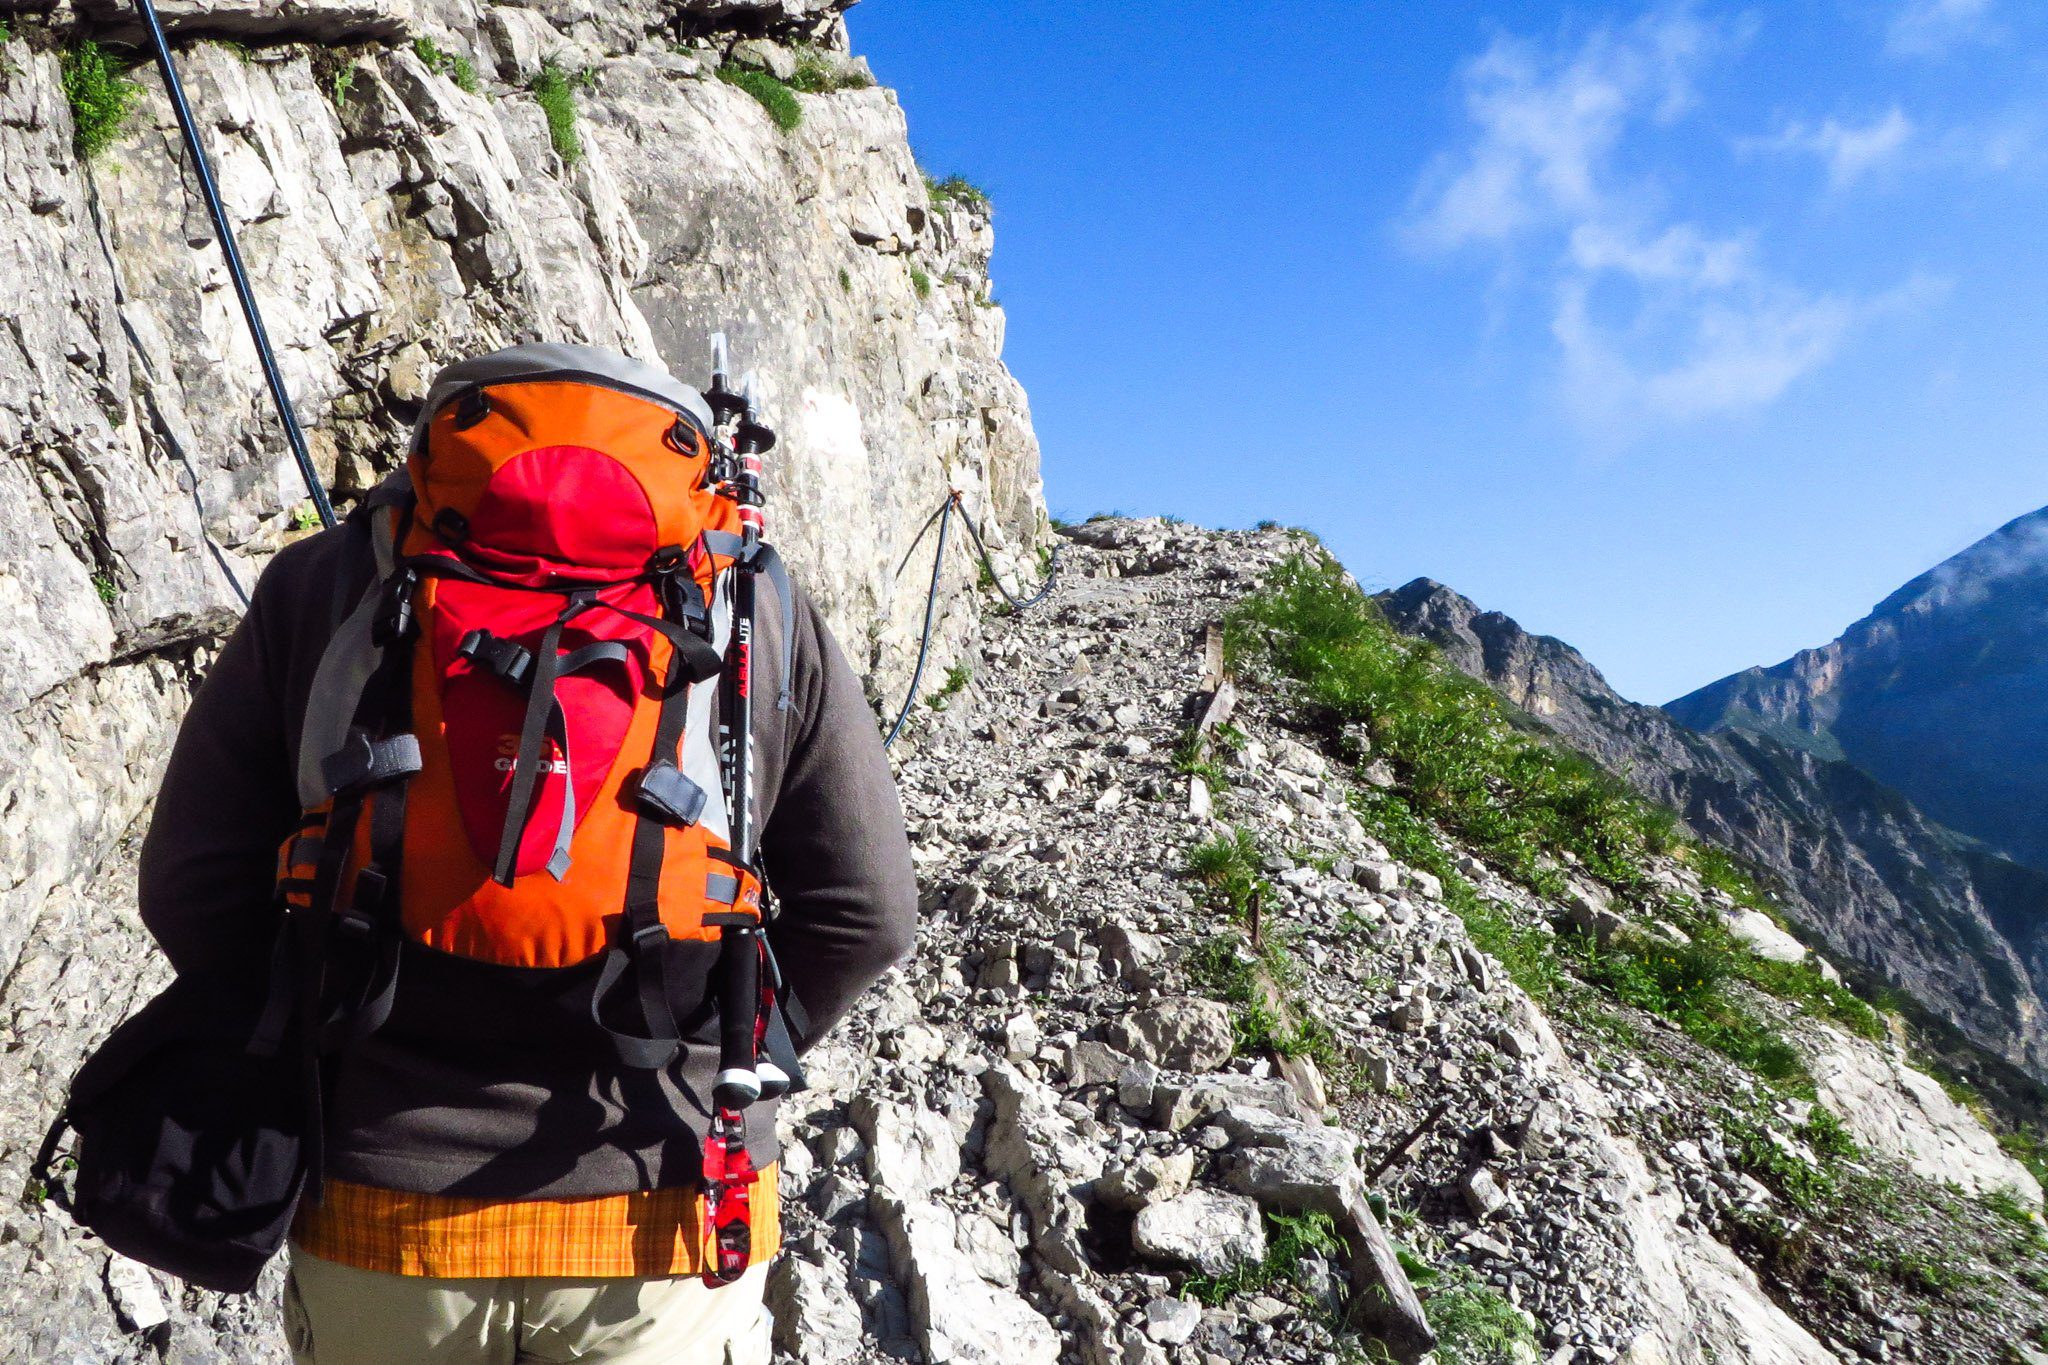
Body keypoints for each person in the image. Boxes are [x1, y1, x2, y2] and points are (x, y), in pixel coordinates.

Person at [137, 344, 918, 1364]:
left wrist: (314, 1033)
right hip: (662, 1203)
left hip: (380, 1210)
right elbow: (867, 914)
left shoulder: (330, 583)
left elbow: (191, 886)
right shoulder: (754, 604)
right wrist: (730, 1046)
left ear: (438, 448)